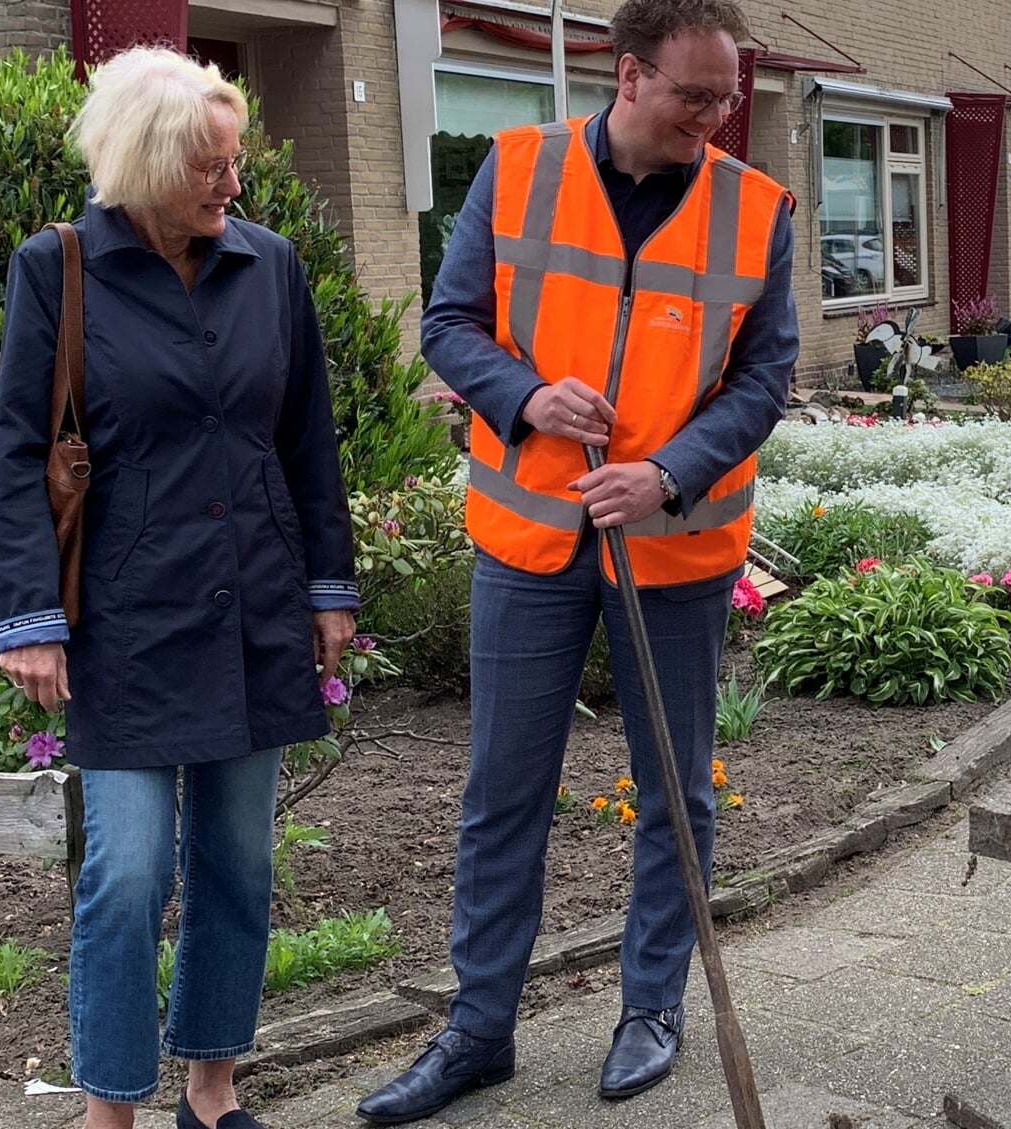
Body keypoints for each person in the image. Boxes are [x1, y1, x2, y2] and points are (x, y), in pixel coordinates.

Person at [353, 0, 796, 1122]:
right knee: (502, 791)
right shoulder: (516, 170)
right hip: (530, 539)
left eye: (727, 94)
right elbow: (449, 323)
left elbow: (763, 377)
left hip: (678, 545)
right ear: (630, 74)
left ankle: (651, 1005)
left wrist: (669, 474)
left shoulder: (756, 212)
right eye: (697, 95)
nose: (717, 116)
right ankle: (478, 1029)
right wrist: (526, 395)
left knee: (676, 794)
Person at [0, 48, 359, 1129]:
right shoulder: (56, 270)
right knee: (129, 871)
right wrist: (29, 617)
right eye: (207, 165)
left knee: (239, 858)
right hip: (126, 616)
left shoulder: (270, 266)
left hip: (255, 599)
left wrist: (328, 589)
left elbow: (307, 442)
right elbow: (20, 452)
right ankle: (111, 1105)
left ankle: (211, 1088)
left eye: (233, 162)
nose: (230, 184)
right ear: (145, 163)